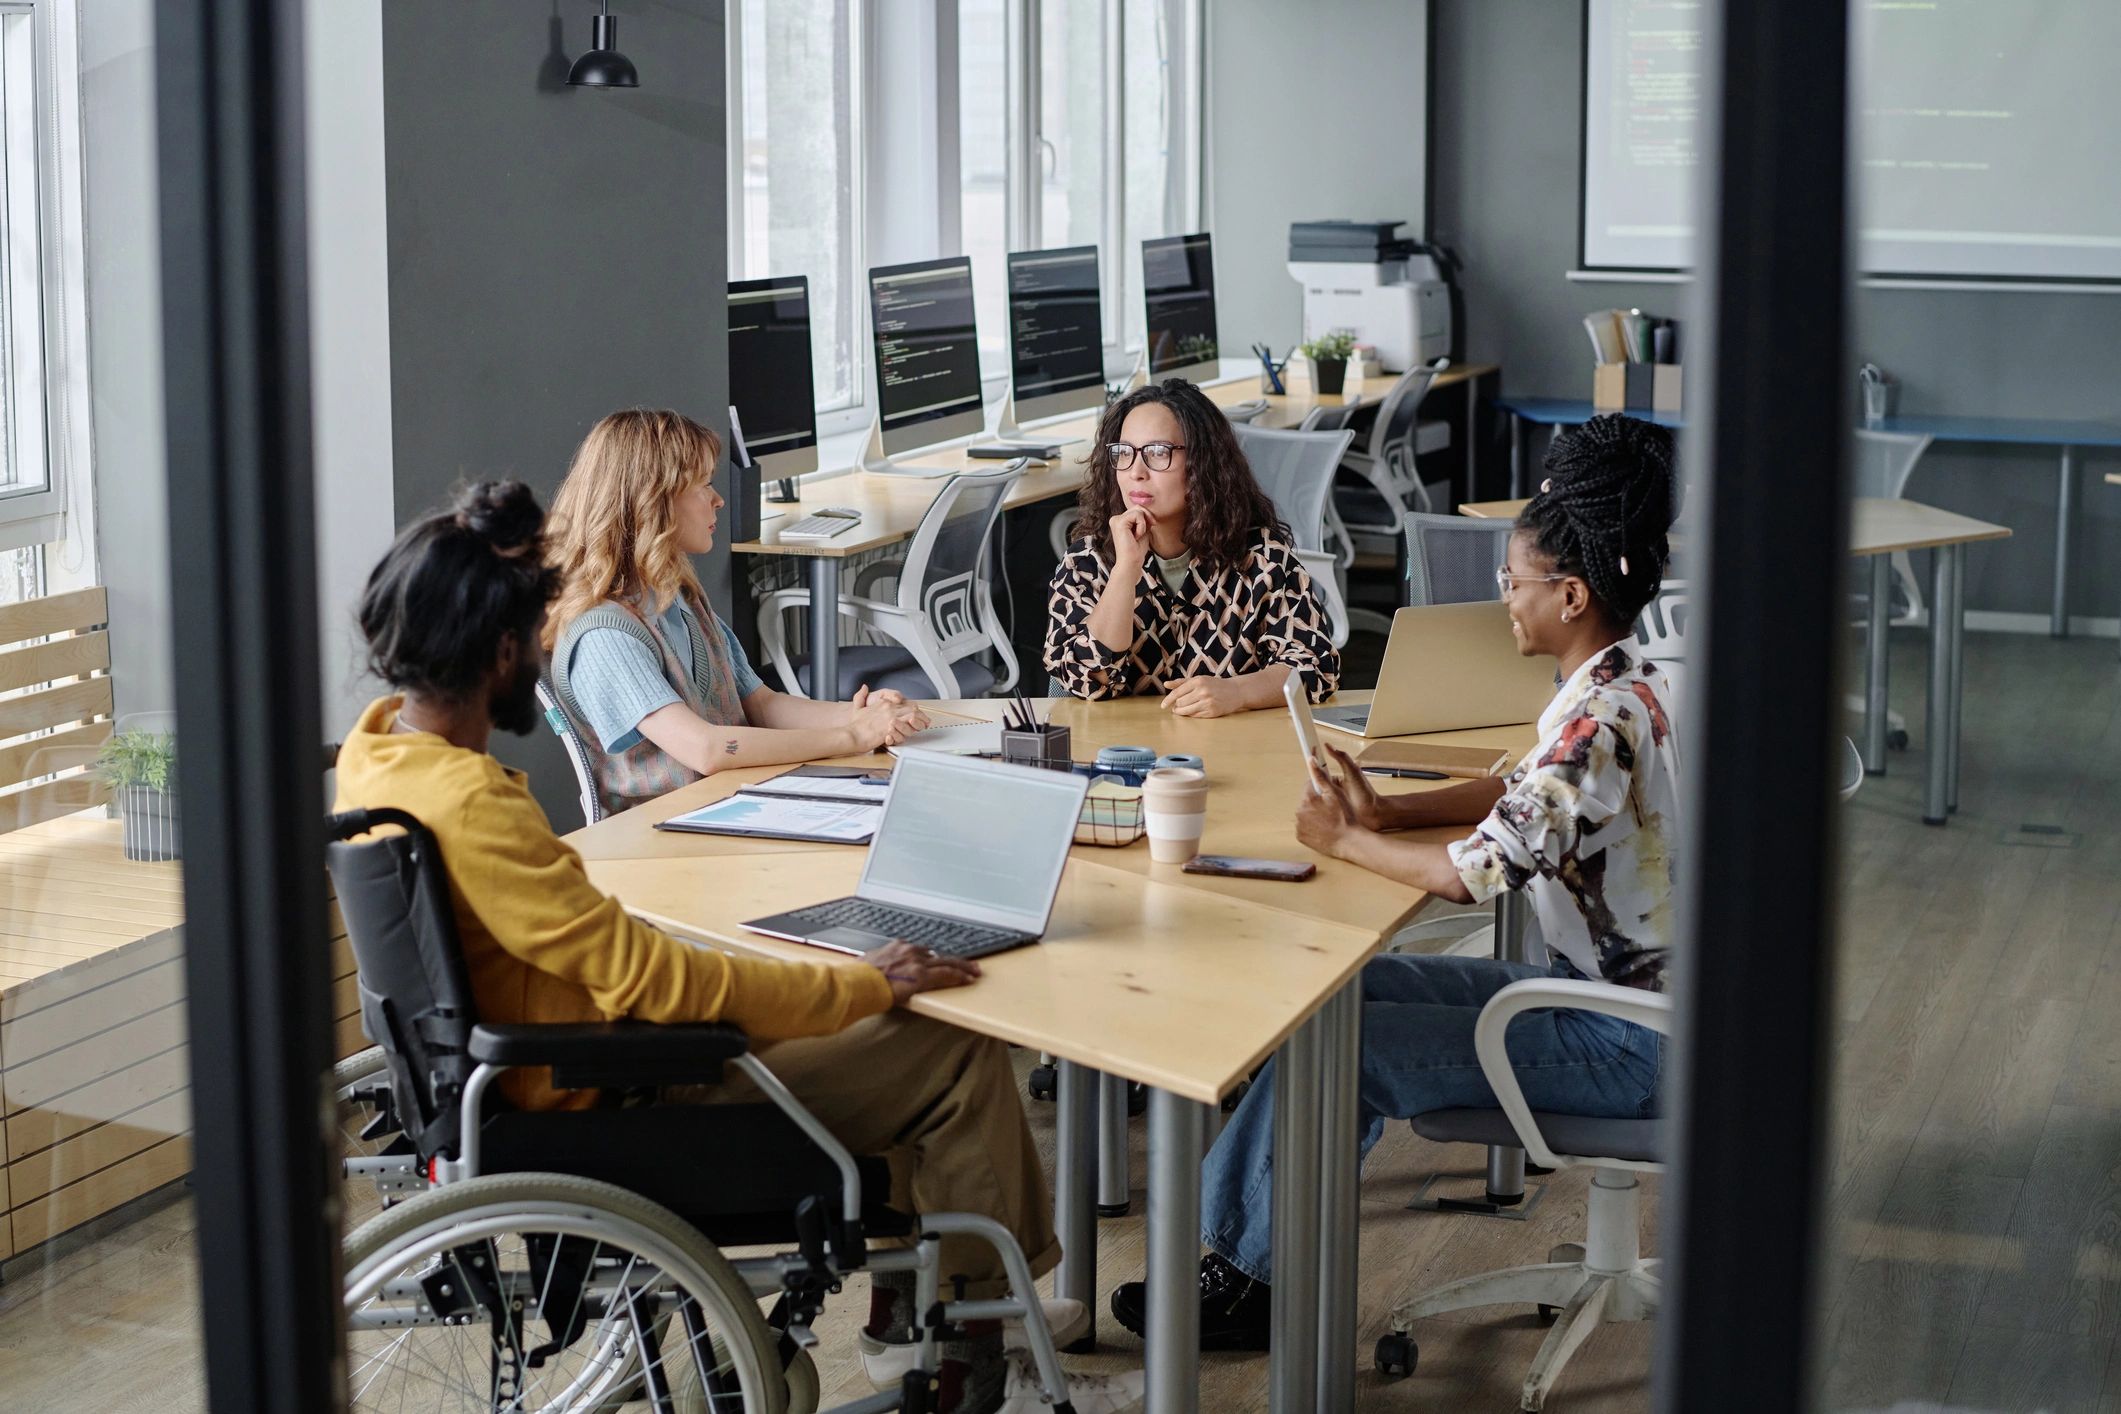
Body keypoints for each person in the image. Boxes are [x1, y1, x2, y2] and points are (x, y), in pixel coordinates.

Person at [336, 480, 1140, 1414]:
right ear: (503, 648)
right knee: (949, 1039)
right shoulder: (474, 802)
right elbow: (651, 977)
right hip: (618, 1097)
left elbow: (600, 954)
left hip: (532, 1084)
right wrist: (854, 987)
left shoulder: (378, 756)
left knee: (895, 1018)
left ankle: (919, 1319)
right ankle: (975, 1352)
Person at [1111, 413, 1683, 1348]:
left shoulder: (1598, 726)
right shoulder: (1621, 682)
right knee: (1336, 998)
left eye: (1514, 581)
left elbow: (1474, 875)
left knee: (1351, 1049)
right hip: (1611, 1004)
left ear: (1571, 594)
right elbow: (1515, 794)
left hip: (1626, 1043)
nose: (1503, 596)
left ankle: (1243, 1278)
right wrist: (1386, 811)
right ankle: (1239, 1259)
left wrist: (1342, 840)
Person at [542, 408, 930, 818]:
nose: (718, 499)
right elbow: (705, 750)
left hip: (735, 801)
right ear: (653, 502)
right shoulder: (602, 636)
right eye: (703, 485)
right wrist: (851, 736)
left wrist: (859, 715)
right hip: (665, 831)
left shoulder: (678, 598)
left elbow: (762, 704)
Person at [1044, 379, 1339, 715]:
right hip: (1125, 754)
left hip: (1231, 750)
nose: (1136, 472)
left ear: (1202, 462)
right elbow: (1084, 677)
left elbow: (1316, 668)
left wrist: (1238, 692)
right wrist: (1125, 570)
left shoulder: (1261, 558)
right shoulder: (1086, 561)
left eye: (1158, 453)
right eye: (1124, 453)